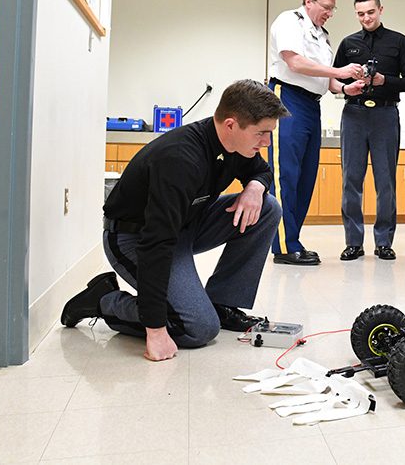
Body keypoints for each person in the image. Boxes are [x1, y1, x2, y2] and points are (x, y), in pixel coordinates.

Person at [60, 79, 289, 361]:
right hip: (136, 238)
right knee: (198, 329)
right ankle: (104, 300)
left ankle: (222, 304)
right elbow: (157, 243)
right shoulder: (181, 159)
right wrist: (155, 329)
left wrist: (254, 187)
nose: (267, 143)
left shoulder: (236, 144)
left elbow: (261, 171)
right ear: (231, 124)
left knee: (267, 207)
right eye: (262, 134)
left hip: (186, 224)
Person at [267, 0, 366, 265]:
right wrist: (339, 70)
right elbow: (295, 63)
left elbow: (325, 79)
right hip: (288, 100)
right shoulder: (289, 21)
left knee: (305, 177)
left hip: (312, 106)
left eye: (332, 9)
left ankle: (293, 239)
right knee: (286, 175)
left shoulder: (322, 35)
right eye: (326, 7)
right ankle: (284, 248)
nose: (330, 13)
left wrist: (345, 87)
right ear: (309, 1)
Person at [334, 0, 405, 262]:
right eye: (360, 14)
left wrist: (384, 81)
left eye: (371, 12)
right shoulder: (348, 43)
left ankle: (384, 242)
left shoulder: (399, 42)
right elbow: (334, 82)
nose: (366, 18)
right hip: (354, 115)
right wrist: (349, 88)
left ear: (381, 10)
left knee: (386, 182)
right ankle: (353, 243)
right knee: (350, 181)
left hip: (385, 116)